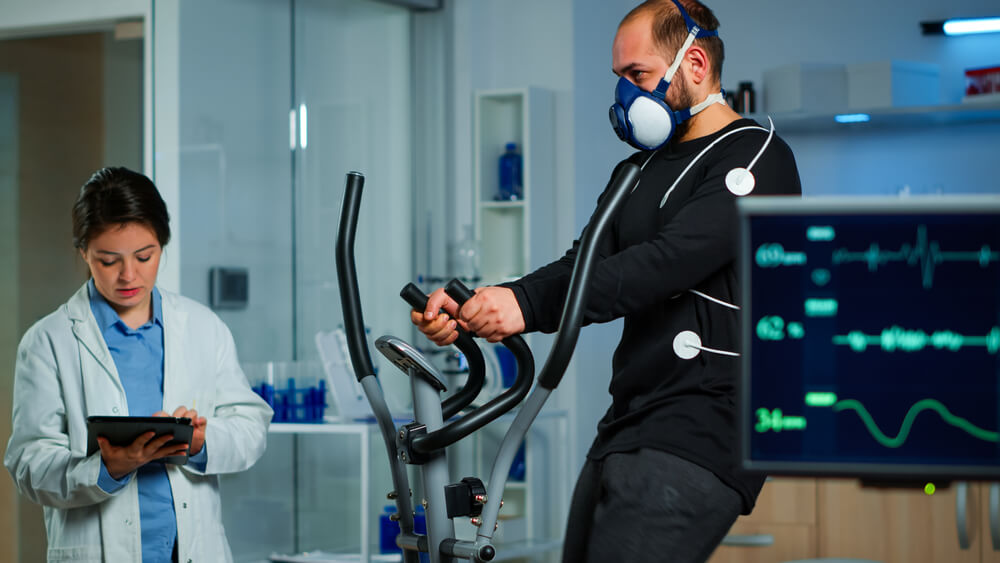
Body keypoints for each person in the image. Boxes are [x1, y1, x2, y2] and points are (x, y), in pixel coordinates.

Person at [412, 1, 802, 561]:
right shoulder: (638, 170)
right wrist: (486, 303)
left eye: (638, 76)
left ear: (694, 64)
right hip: (628, 422)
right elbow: (582, 266)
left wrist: (520, 307)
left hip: (704, 427)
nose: (626, 96)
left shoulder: (757, 156)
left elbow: (668, 261)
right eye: (620, 79)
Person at [4, 167, 273, 562]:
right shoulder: (49, 341)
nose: (129, 275)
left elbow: (251, 427)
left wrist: (201, 443)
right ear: (84, 252)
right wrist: (104, 469)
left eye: (144, 256)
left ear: (162, 244)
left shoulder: (202, 327)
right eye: (109, 260)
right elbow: (28, 463)